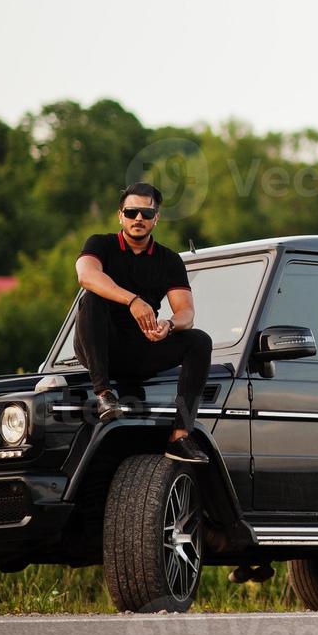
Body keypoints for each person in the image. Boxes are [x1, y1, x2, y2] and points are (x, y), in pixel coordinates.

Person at [73, 182, 212, 464]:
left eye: (146, 214)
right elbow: (86, 276)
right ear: (120, 215)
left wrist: (169, 326)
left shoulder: (169, 260)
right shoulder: (100, 244)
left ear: (156, 218)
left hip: (141, 347)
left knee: (199, 340)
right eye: (132, 212)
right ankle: (103, 394)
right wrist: (133, 300)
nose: (139, 219)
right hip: (100, 348)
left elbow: (186, 312)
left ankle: (180, 436)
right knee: (92, 297)